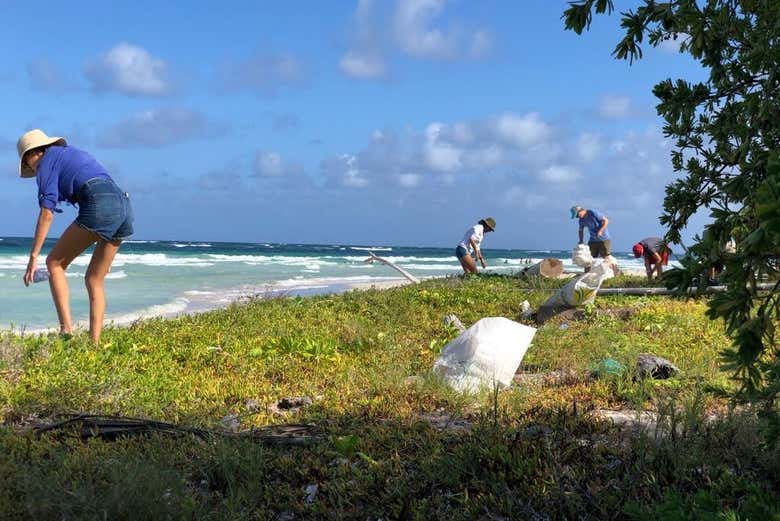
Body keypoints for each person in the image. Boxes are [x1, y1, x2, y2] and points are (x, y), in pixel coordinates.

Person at [18, 129, 134, 344]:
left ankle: (66, 332)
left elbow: (46, 212)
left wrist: (33, 257)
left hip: (100, 203)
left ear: (33, 154)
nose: (31, 170)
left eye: (27, 164)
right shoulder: (69, 154)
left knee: (54, 262)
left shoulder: (45, 163)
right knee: (94, 279)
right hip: (123, 205)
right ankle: (94, 344)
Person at [571, 205, 613, 272]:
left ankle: (612, 272)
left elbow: (606, 221)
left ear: (581, 210)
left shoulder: (592, 213)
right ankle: (586, 275)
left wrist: (600, 231)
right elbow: (580, 230)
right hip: (593, 240)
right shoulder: (581, 220)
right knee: (588, 259)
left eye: (577, 215)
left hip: (604, 239)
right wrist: (581, 241)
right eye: (576, 216)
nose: (577, 217)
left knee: (606, 258)